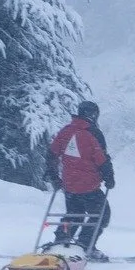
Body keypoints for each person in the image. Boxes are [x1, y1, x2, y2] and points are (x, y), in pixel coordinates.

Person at [47, 100, 115, 260]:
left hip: (69, 185)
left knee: (74, 214)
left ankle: (61, 241)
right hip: (89, 185)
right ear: (93, 115)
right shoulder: (93, 133)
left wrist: (53, 176)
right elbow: (102, 159)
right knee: (101, 215)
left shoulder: (66, 131)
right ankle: (85, 245)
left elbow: (51, 154)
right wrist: (109, 177)